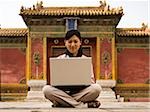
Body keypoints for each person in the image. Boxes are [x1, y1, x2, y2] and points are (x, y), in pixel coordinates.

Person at [43, 29, 102, 108]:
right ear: (65, 43)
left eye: (75, 41)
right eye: (70, 42)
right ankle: (82, 105)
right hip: (63, 92)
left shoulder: (85, 60)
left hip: (81, 92)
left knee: (96, 88)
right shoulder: (59, 59)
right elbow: (54, 82)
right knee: (46, 90)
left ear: (80, 42)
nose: (73, 45)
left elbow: (92, 81)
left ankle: (62, 103)